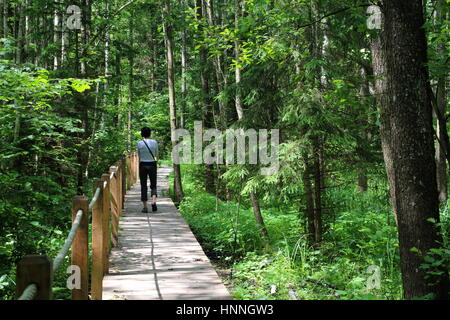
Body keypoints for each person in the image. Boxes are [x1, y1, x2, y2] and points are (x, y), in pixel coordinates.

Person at [137, 127, 158, 213]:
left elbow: (139, 155)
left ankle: (145, 207)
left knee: (143, 185)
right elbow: (156, 154)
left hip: (143, 165)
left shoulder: (139, 143)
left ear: (142, 134)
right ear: (150, 133)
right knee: (153, 184)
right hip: (152, 164)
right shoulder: (154, 142)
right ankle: (153, 201)